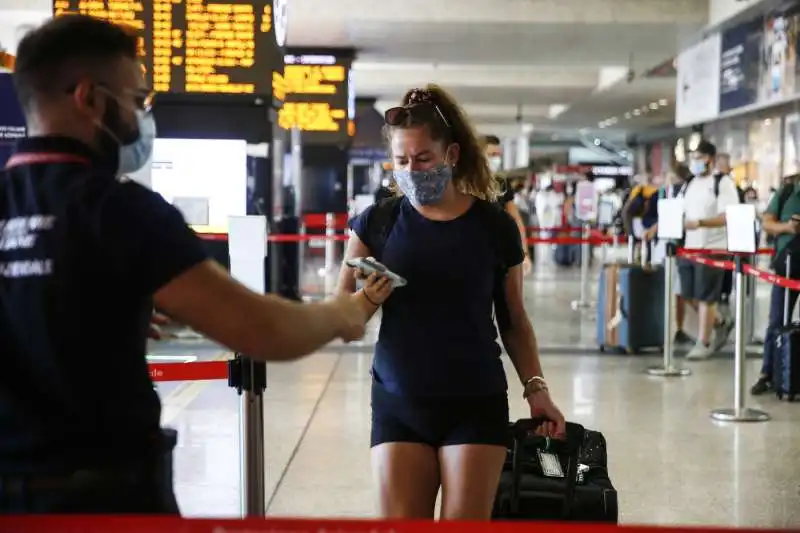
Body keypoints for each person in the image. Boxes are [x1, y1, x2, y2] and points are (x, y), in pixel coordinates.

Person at [0, 15, 367, 514]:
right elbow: (260, 330)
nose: (139, 117)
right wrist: (339, 314)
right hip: (103, 501)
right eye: (134, 101)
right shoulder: (120, 211)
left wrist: (89, 306)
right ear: (89, 98)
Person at [336, 85, 565, 520]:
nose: (411, 170)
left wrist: (537, 389)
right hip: (398, 400)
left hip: (474, 401)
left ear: (452, 155)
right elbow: (342, 318)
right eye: (401, 161)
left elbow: (514, 320)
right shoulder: (378, 222)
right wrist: (368, 297)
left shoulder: (495, 227)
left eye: (423, 159)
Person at [678, 140, 739, 359]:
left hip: (713, 247)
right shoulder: (690, 183)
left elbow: (727, 216)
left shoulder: (722, 183)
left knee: (706, 297)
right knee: (689, 295)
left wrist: (701, 223)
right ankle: (721, 322)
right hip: (690, 247)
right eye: (693, 157)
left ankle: (703, 342)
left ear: (710, 159)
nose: (695, 162)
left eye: (699, 157)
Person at [751, 173, 800, 395]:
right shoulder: (788, 191)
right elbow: (767, 223)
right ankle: (767, 373)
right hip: (787, 266)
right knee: (777, 320)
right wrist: (788, 228)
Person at [484, 135, 532, 274]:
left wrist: (524, 254)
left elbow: (516, 219)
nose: (496, 159)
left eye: (498, 155)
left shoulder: (501, 184)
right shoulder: (465, 182)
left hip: (498, 252)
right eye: (492, 155)